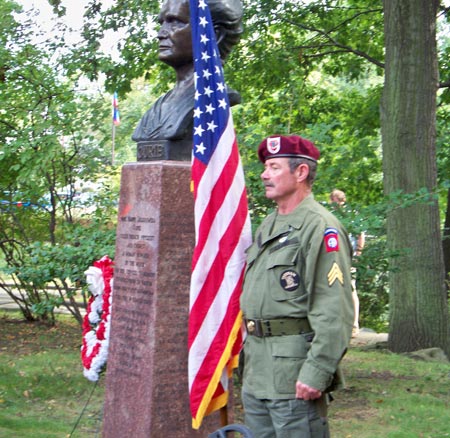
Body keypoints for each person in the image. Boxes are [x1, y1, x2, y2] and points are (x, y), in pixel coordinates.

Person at [240, 135, 354, 437]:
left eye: (274, 167)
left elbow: (334, 310)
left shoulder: (320, 227)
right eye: (265, 167)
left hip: (293, 376)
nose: (264, 174)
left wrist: (317, 371)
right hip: (256, 371)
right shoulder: (270, 224)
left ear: (300, 172)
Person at [132, 0, 243, 145]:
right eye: (162, 23)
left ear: (214, 35)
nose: (160, 34)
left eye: (175, 22)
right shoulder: (157, 108)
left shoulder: (212, 100)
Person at [329, 189, 365, 337]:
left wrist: (358, 253)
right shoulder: (330, 215)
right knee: (332, 287)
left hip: (349, 257)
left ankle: (354, 324)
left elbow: (360, 235)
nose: (334, 203)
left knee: (351, 288)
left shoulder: (352, 215)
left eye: (335, 200)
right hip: (333, 256)